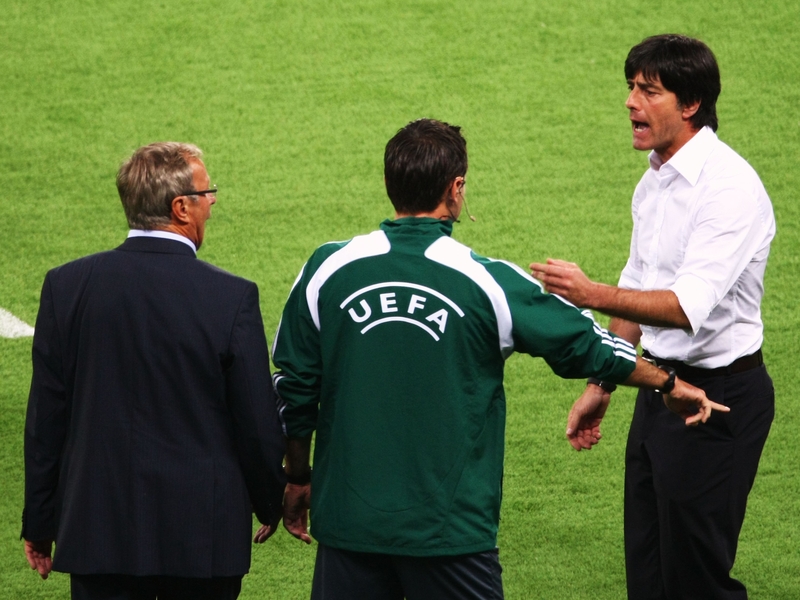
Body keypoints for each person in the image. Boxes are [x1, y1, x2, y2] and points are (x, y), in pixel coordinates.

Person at [267, 118, 727, 600]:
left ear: (390, 184)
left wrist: (298, 478)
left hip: (349, 526)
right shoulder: (489, 282)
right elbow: (591, 346)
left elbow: (295, 387)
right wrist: (668, 384)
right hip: (451, 534)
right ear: (456, 188)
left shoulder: (327, 268)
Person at [531, 34, 776, 600]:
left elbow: (684, 307)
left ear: (689, 104)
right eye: (631, 88)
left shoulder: (729, 188)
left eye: (649, 90)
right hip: (660, 392)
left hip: (715, 403)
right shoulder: (655, 180)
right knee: (648, 574)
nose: (630, 102)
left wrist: (590, 293)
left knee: (695, 581)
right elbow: (641, 284)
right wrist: (604, 381)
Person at [22, 142, 286, 600]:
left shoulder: (66, 287)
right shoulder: (231, 297)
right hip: (204, 537)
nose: (214, 201)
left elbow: (47, 420)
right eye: (208, 192)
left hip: (98, 532)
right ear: (180, 207)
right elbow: (256, 422)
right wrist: (272, 500)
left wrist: (40, 522)